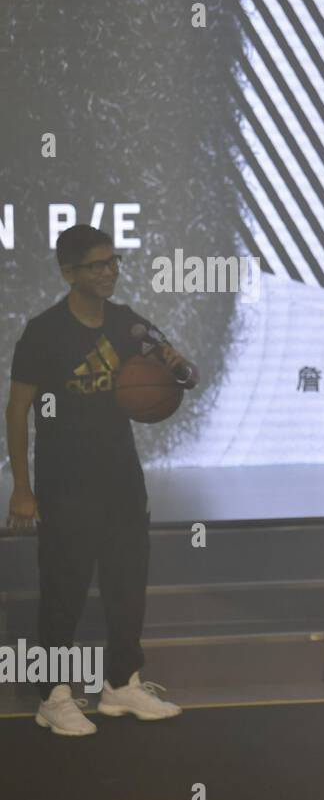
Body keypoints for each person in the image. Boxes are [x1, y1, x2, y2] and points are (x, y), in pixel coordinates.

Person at [5, 224, 192, 735]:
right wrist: (22, 488)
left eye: (114, 262)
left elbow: (179, 368)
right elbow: (17, 411)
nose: (109, 272)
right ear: (69, 272)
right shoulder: (43, 333)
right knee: (63, 589)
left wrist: (177, 368)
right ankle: (53, 695)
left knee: (127, 584)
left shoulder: (129, 324)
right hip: (65, 483)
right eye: (97, 264)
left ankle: (122, 684)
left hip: (121, 479)